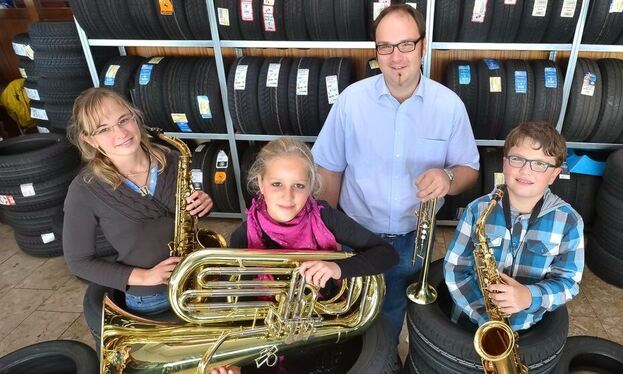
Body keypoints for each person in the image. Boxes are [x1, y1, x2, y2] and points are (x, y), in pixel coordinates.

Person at [311, 4, 479, 340]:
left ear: (423, 46)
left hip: (412, 238)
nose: (396, 57)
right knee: (348, 307)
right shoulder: (351, 101)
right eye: (385, 47)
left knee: (392, 311)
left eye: (406, 45)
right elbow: (328, 168)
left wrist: (447, 178)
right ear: (376, 51)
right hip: (356, 233)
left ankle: (385, 359)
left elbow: (469, 170)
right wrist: (325, 232)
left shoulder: (448, 106)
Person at [227, 137, 399, 373]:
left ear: (310, 186)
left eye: (298, 185)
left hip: (323, 336)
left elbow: (387, 254)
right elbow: (233, 310)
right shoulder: (243, 236)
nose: (287, 196)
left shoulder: (324, 216)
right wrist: (236, 365)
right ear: (261, 183)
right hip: (266, 345)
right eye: (277, 184)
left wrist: (337, 268)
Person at [62, 88, 213, 319]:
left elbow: (186, 217)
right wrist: (145, 277)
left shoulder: (172, 160)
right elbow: (79, 262)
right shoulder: (83, 190)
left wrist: (202, 204)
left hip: (196, 276)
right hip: (151, 297)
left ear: (135, 116)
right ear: (88, 139)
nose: (121, 132)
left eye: (124, 119)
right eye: (103, 129)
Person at [444, 122, 584, 331]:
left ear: (554, 175)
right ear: (504, 163)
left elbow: (568, 283)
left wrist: (528, 297)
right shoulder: (477, 210)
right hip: (472, 320)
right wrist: (485, 318)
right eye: (517, 159)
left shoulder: (569, 222)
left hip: (527, 325)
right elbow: (455, 268)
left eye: (539, 164)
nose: (526, 170)